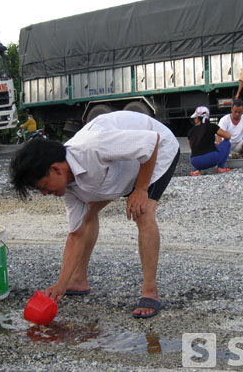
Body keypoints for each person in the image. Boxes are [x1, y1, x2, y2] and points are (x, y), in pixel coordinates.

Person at [10, 111, 180, 319]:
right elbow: (76, 235)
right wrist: (60, 285)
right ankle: (77, 280)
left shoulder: (93, 147)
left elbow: (150, 142)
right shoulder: (69, 190)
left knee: (142, 212)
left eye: (43, 187)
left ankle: (150, 292)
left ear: (55, 169)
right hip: (124, 171)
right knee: (87, 215)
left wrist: (142, 189)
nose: (45, 194)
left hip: (158, 149)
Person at [187, 106, 232, 176]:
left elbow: (192, 147)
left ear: (198, 118)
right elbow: (228, 137)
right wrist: (215, 145)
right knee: (227, 143)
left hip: (195, 162)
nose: (195, 119)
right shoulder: (212, 126)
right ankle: (221, 167)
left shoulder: (191, 131)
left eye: (195, 117)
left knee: (196, 151)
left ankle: (197, 170)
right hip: (212, 159)